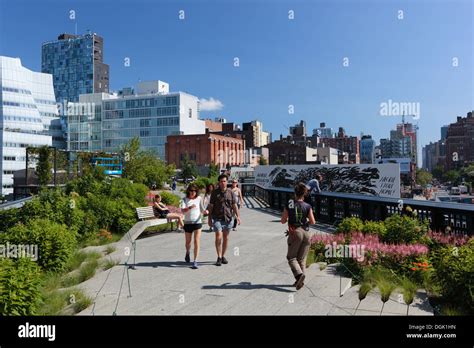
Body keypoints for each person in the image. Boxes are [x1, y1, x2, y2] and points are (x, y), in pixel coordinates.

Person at [280, 183, 315, 290]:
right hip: (307, 233)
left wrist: (290, 219)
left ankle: (299, 276)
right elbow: (313, 221)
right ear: (304, 194)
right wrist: (304, 223)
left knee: (291, 258)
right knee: (301, 259)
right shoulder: (308, 206)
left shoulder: (289, 204)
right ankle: (300, 282)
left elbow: (283, 221)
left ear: (295, 193)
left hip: (295, 232)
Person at [206, 174, 240, 266]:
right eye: (221, 181)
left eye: (224, 181)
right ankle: (219, 257)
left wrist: (238, 216)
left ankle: (223, 255)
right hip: (217, 218)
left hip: (228, 218)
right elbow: (211, 206)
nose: (223, 183)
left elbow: (234, 205)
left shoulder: (230, 192)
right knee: (218, 236)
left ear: (227, 182)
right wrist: (209, 219)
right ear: (219, 182)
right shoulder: (214, 193)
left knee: (226, 238)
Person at [180, 184, 204, 269]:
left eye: (194, 191)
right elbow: (182, 210)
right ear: (188, 191)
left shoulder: (199, 198)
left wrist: (205, 212)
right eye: (191, 190)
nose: (193, 192)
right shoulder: (184, 199)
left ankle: (195, 261)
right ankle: (187, 252)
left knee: (196, 241)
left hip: (197, 222)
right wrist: (190, 207)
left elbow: (202, 209)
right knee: (188, 242)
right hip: (188, 223)